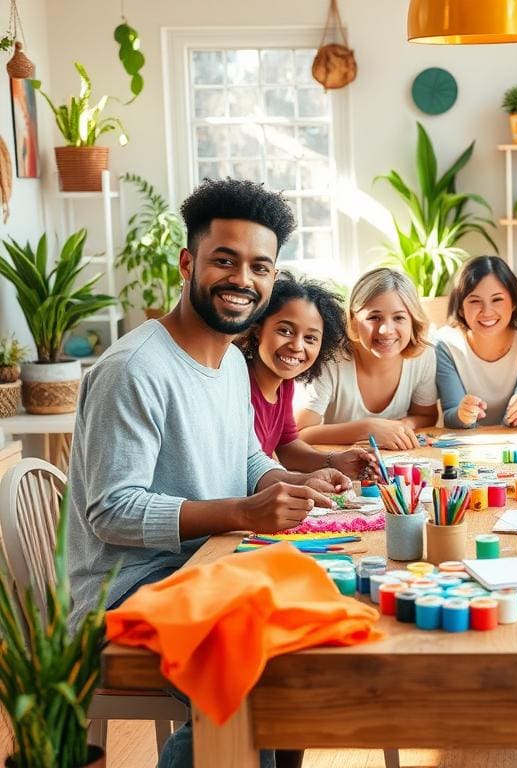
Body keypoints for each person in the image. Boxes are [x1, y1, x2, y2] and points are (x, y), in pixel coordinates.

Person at [68, 178, 351, 768]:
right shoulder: (134, 369)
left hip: (207, 567)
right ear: (187, 263)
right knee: (250, 682)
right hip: (123, 594)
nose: (242, 280)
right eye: (225, 260)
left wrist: (291, 482)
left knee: (304, 642)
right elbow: (112, 511)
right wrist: (243, 514)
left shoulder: (227, 364)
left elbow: (248, 459)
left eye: (259, 267)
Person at [235, 271, 375, 476]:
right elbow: (243, 470)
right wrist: (303, 481)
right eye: (285, 331)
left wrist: (335, 461)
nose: (297, 346)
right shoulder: (238, 384)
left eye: (310, 338)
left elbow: (287, 447)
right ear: (257, 329)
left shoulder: (284, 384)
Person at [296, 267, 438, 449]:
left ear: (412, 320)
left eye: (399, 318)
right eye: (374, 317)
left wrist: (401, 427)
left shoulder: (423, 355)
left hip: (395, 464)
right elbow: (300, 433)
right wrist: (367, 429)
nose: (386, 330)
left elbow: (427, 416)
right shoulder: (330, 358)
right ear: (353, 319)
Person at [434, 255, 517, 428]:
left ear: (514, 302)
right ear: (460, 308)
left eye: (497, 299)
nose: (487, 312)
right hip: (465, 445)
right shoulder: (445, 344)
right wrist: (462, 415)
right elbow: (451, 414)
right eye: (474, 301)